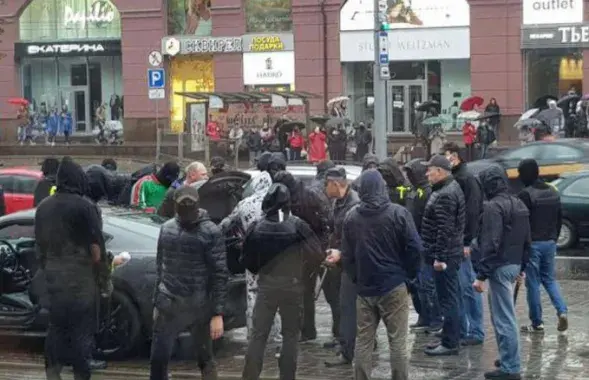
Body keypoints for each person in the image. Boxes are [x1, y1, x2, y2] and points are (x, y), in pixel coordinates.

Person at [340, 169, 421, 380]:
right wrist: (409, 276)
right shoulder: (398, 214)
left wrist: (357, 278)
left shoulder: (351, 217)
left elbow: (347, 256)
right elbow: (415, 248)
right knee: (397, 342)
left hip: (365, 287)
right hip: (394, 285)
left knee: (364, 341)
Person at [35, 157, 111, 380]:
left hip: (53, 277)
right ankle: (81, 375)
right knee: (81, 334)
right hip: (80, 280)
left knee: (56, 328)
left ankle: (52, 374)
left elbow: (39, 245)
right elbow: (96, 247)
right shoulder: (85, 206)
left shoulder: (43, 207)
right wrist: (103, 275)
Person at [241, 183, 322, 380]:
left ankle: (250, 376)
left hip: (267, 286)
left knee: (258, 336)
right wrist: (304, 273)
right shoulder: (298, 225)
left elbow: (246, 260)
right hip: (292, 286)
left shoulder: (257, 227)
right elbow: (317, 254)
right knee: (290, 336)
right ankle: (287, 376)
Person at [150, 186, 227, 380]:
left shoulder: (211, 232)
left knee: (205, 358)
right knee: (158, 359)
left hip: (198, 306)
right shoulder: (167, 228)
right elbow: (161, 266)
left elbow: (219, 274)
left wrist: (217, 313)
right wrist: (157, 301)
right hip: (169, 304)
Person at [473, 165, 530, 380]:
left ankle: (510, 367)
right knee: (504, 316)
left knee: (504, 318)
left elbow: (491, 243)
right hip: (513, 264)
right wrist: (522, 267)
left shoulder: (493, 207)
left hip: (499, 266)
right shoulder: (519, 203)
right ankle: (508, 358)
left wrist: (481, 275)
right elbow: (527, 239)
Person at [219, 170, 282, 344]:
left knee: (253, 294)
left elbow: (227, 223)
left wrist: (214, 232)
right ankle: (276, 334)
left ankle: (254, 333)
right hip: (274, 257)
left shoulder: (244, 203)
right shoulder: (278, 203)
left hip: (252, 254)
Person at [273, 170, 333, 342]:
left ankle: (307, 330)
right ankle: (307, 330)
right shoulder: (303, 195)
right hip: (308, 249)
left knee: (306, 292)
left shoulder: (304, 198)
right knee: (305, 293)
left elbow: (321, 224)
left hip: (308, 250)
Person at [420, 155, 465, 356]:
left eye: (429, 169)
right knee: (449, 297)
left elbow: (444, 230)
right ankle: (450, 336)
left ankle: (450, 343)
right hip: (449, 253)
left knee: (448, 299)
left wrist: (439, 258)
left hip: (445, 257)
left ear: (440, 171)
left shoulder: (446, 193)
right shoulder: (446, 189)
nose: (427, 173)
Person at [517, 159, 568, 333]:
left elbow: (521, 224)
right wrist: (554, 237)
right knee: (549, 279)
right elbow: (560, 217)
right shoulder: (553, 191)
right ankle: (562, 311)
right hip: (550, 242)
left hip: (533, 245)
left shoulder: (525, 194)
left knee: (533, 284)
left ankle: (537, 323)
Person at [443, 142, 485, 346]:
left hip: (464, 241)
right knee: (461, 286)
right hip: (459, 240)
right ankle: (465, 328)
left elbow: (471, 211)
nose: (445, 159)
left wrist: (467, 241)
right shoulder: (458, 178)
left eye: (447, 155)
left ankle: (475, 331)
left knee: (467, 285)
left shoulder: (465, 179)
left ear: (456, 156)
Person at [323, 167, 360, 367]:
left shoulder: (354, 205)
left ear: (336, 184)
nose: (323, 188)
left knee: (349, 307)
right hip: (341, 260)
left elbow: (356, 240)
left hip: (351, 264)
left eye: (326, 183)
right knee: (342, 304)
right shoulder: (338, 202)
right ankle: (345, 344)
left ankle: (348, 352)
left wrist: (341, 254)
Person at [403, 159, 442, 333]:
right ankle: (424, 317)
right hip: (414, 243)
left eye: (412, 173)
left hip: (425, 243)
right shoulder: (413, 191)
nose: (409, 177)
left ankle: (434, 320)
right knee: (417, 285)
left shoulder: (428, 192)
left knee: (427, 285)